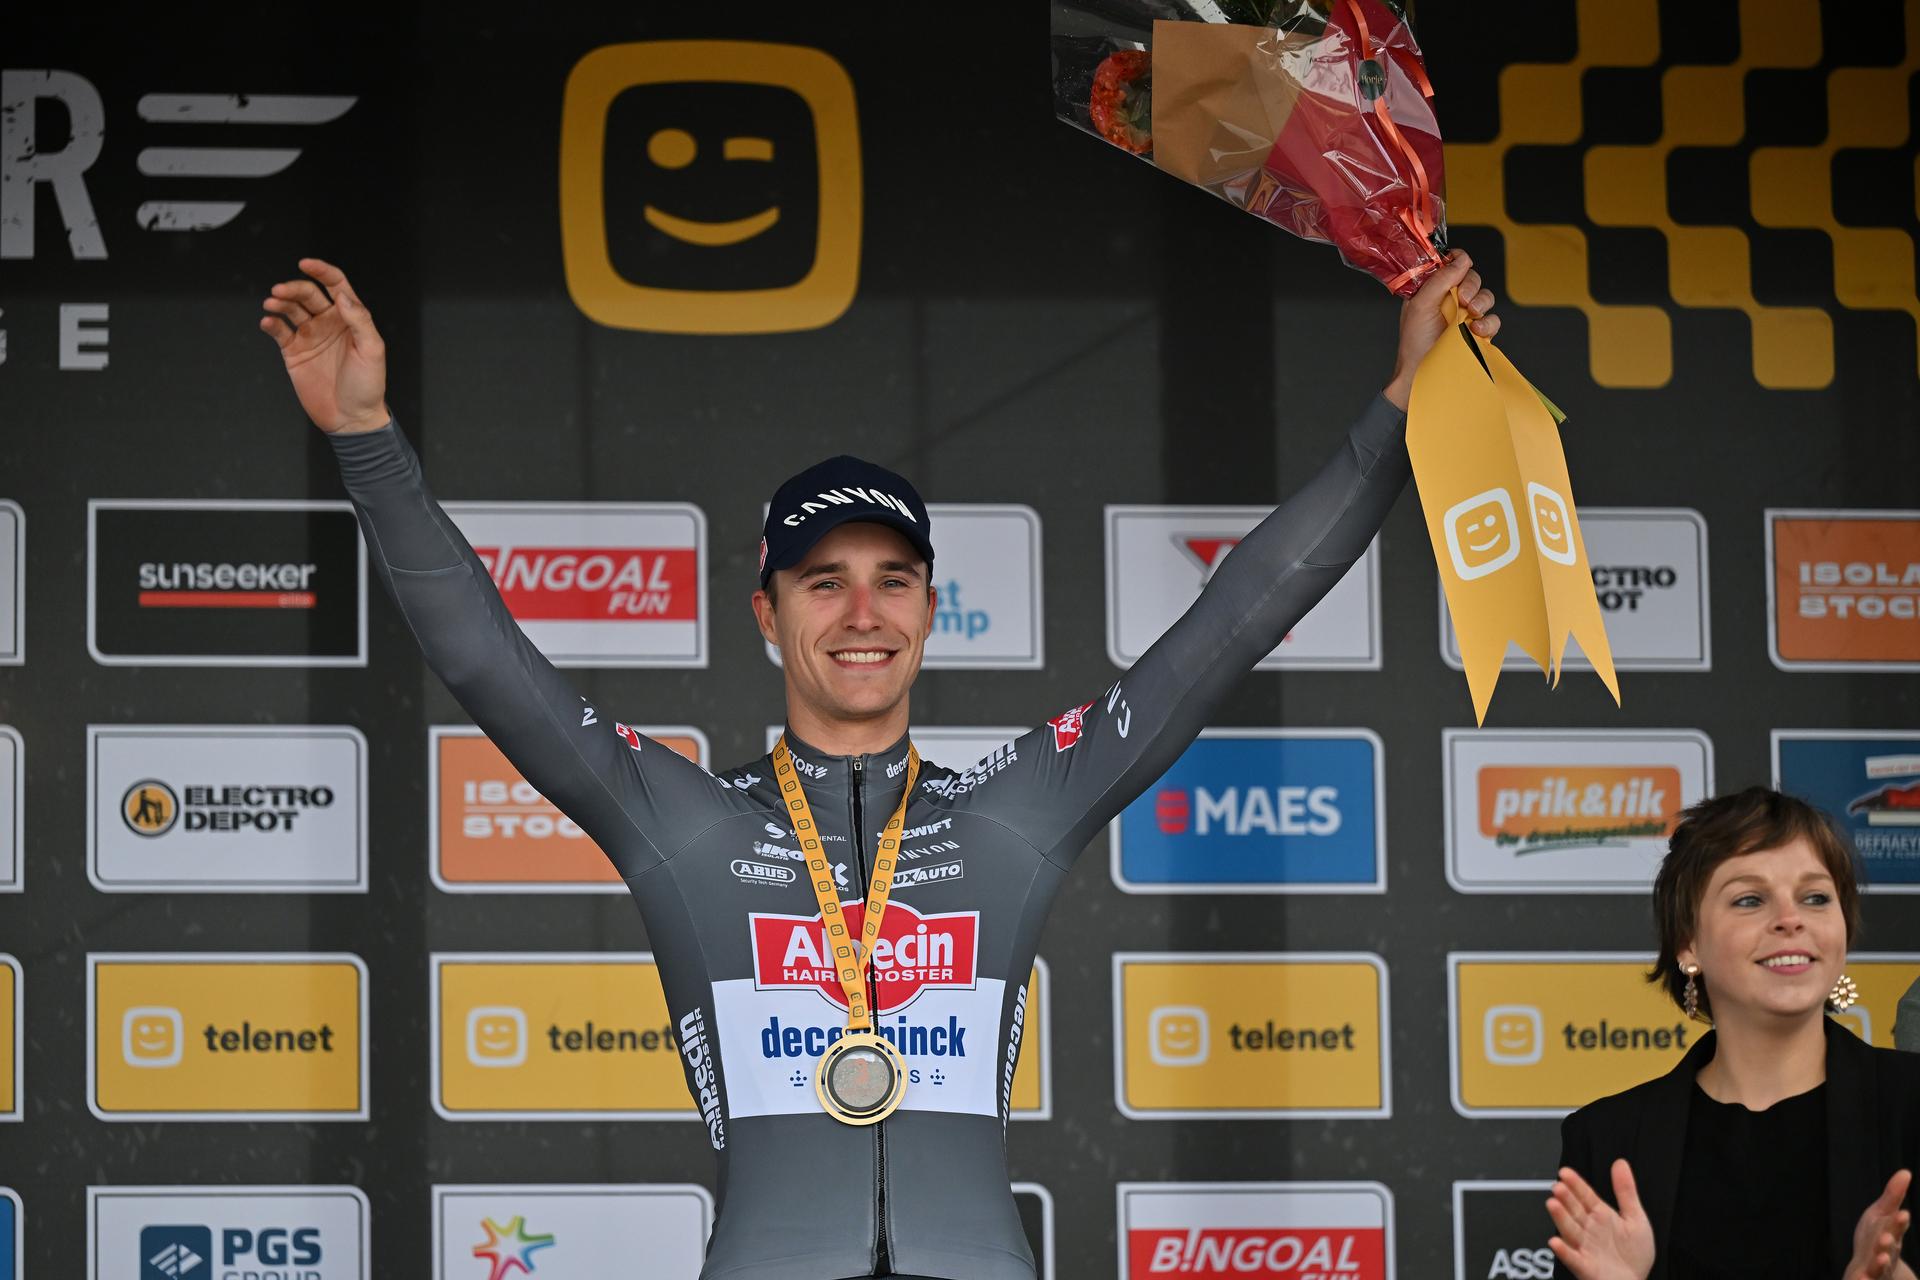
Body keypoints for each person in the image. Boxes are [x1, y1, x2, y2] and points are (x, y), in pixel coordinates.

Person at [259, 251, 1497, 1280]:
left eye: (892, 578)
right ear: (765, 611)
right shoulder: (679, 817)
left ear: (930, 606)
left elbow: (1233, 624)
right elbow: (485, 659)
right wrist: (366, 437)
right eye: (824, 580)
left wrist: (1400, 408)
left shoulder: (1015, 807)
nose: (862, 610)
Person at [1545, 787, 1920, 1280]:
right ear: (1688, 945)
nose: (1791, 920)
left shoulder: (1910, 1105)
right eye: (1749, 900)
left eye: (1815, 897)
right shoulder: (1607, 1139)